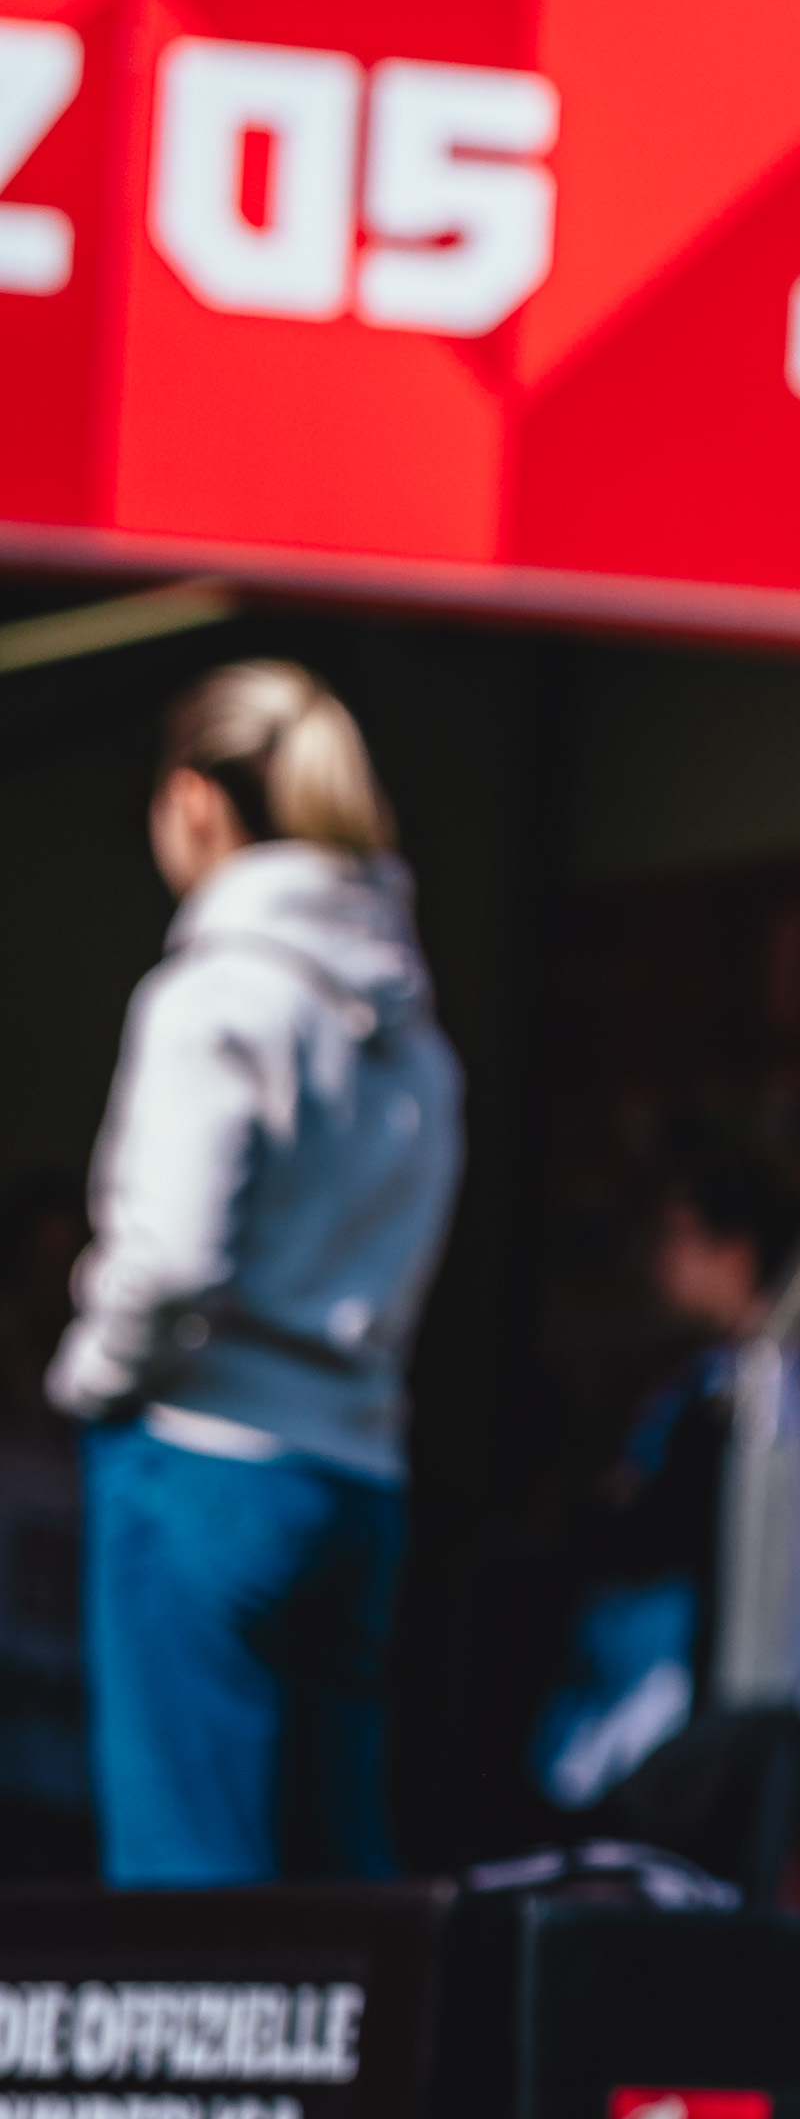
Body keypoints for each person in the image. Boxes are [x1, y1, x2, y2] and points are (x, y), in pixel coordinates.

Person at [49, 661, 464, 1886]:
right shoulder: (416, 1037)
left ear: (193, 802)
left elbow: (172, 1257)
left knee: (189, 1893)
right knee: (337, 1896)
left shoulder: (214, 997)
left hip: (201, 1461)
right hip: (359, 1478)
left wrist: (91, 1379)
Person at [529, 1123, 800, 1893]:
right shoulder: (720, 1381)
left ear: (734, 1251)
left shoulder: (749, 1398)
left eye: (673, 1237)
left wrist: (599, 1512)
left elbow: (660, 1540)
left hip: (681, 1733)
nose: (655, 1261)